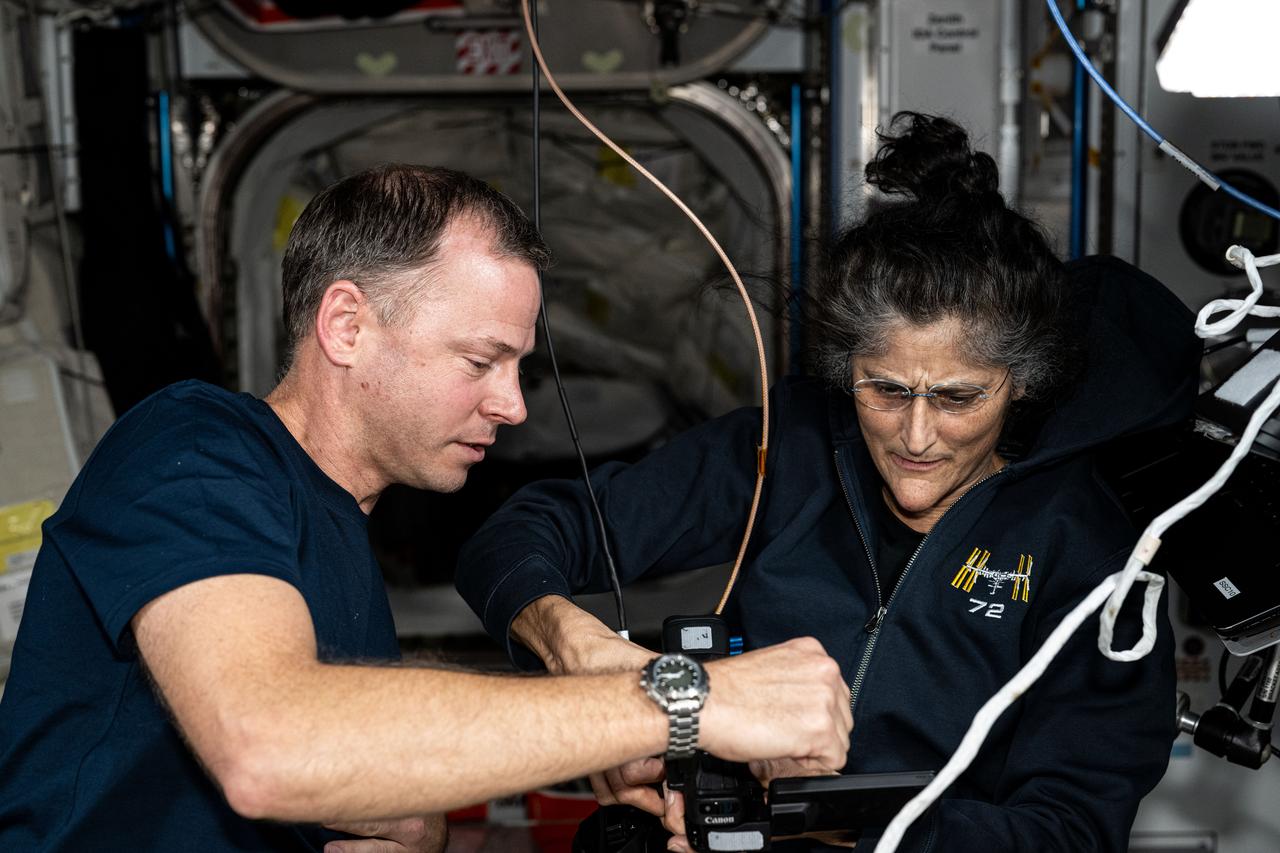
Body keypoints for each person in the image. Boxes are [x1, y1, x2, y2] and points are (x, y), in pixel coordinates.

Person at [0, 165, 855, 852]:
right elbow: (271, 747)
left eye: (517, 367)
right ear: (346, 326)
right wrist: (682, 697)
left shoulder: (338, 532)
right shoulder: (194, 449)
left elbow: (356, 771)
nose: (514, 405)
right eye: (482, 360)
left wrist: (418, 824)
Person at [457, 115, 1203, 852]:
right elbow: (517, 537)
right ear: (846, 369)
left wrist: (827, 813)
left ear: (1023, 382)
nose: (915, 436)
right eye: (884, 390)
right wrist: (596, 669)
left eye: (956, 398)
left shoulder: (1093, 555)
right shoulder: (796, 447)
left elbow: (1071, 832)